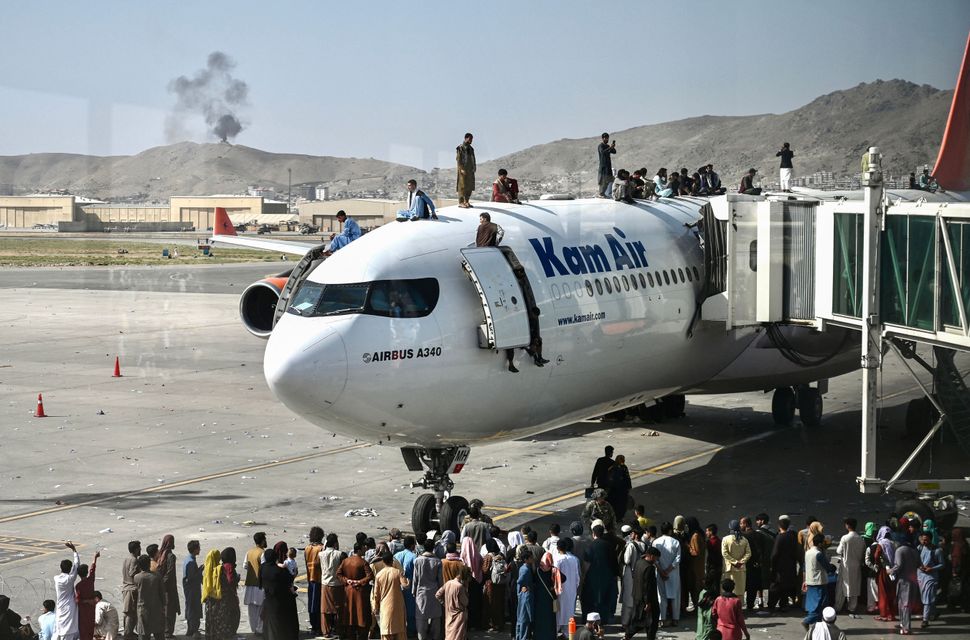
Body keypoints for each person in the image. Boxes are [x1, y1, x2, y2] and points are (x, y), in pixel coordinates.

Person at [581, 525, 618, 625]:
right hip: (607, 577)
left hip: (592, 578)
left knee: (591, 600)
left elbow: (586, 564)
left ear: (593, 534)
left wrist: (583, 576)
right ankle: (603, 619)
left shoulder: (590, 546)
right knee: (605, 599)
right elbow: (614, 562)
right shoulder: (609, 546)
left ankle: (590, 620)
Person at [261, 544, 299, 640]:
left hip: (268, 598)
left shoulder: (263, 567)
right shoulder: (278, 570)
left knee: (269, 620)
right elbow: (289, 579)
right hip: (279, 599)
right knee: (280, 621)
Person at [338, 543, 375, 640]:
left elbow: (338, 574)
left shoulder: (346, 561)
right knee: (361, 615)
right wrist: (359, 582)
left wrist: (346, 580)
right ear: (359, 550)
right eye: (363, 548)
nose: (365, 550)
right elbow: (370, 576)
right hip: (359, 592)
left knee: (349, 615)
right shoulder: (363, 562)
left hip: (348, 591)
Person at [202, 548, 240, 640]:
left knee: (211, 621)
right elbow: (226, 583)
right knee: (221, 622)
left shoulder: (207, 570)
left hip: (209, 600)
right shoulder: (219, 570)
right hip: (220, 600)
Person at [371, 551, 409, 640]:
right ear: (392, 561)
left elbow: (376, 594)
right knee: (399, 631)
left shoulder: (379, 575)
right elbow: (405, 585)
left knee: (386, 631)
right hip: (398, 606)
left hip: (385, 606)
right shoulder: (397, 572)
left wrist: (375, 607)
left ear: (383, 562)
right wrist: (408, 581)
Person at [412, 539, 443, 640]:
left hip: (421, 593)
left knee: (421, 620)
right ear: (433, 548)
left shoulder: (417, 560)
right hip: (435, 593)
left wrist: (413, 591)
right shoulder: (437, 561)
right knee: (436, 618)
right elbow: (440, 581)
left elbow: (415, 579)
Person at [802, 533, 835, 629]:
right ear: (820, 544)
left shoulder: (808, 552)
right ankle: (807, 621)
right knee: (821, 605)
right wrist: (833, 567)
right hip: (819, 582)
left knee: (813, 604)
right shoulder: (819, 554)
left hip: (810, 581)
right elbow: (828, 567)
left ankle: (818, 625)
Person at [768, 516, 800, 612]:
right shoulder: (793, 536)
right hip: (790, 565)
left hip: (780, 567)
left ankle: (771, 605)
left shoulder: (780, 537)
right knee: (786, 586)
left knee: (775, 586)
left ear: (779, 526)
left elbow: (775, 554)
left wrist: (772, 566)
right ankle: (783, 604)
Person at [653, 523, 682, 628]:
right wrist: (668, 570)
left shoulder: (656, 542)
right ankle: (675, 619)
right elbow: (677, 559)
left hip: (660, 573)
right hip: (673, 573)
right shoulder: (676, 542)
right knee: (675, 596)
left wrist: (661, 571)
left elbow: (654, 559)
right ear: (670, 531)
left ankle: (662, 619)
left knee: (661, 596)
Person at [890, 538, 920, 635]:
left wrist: (890, 571)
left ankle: (906, 627)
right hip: (913, 581)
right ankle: (903, 624)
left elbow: (898, 565)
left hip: (904, 581)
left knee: (904, 604)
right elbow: (919, 564)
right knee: (905, 604)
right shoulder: (915, 552)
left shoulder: (899, 550)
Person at [835, 518, 865, 615]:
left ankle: (838, 606)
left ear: (847, 525)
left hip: (846, 565)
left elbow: (839, 551)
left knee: (842, 586)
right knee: (855, 586)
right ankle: (852, 607)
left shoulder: (845, 538)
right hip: (856, 566)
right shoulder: (860, 539)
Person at [320, 533, 347, 639]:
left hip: (325, 584)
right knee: (339, 609)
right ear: (336, 543)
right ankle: (340, 630)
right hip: (337, 584)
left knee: (325, 610)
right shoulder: (340, 554)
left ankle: (326, 631)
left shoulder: (321, 554)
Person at [552, 539, 580, 637]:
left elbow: (554, 575)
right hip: (571, 590)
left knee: (558, 613)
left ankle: (555, 632)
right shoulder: (573, 559)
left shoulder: (557, 559)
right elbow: (577, 577)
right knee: (569, 612)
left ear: (558, 548)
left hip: (560, 590)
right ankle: (568, 634)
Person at [153, 536, 179, 639]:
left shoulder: (159, 554)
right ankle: (168, 632)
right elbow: (170, 572)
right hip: (169, 588)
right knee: (170, 611)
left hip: (161, 587)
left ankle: (164, 631)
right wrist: (163, 584)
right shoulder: (171, 556)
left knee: (164, 610)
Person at [916, 531, 943, 628]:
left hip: (931, 578)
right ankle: (934, 612)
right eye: (923, 540)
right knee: (926, 597)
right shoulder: (919, 548)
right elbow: (917, 560)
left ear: (930, 539)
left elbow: (942, 564)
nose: (924, 542)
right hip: (920, 576)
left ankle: (925, 620)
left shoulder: (937, 551)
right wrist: (919, 567)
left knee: (927, 598)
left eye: (926, 540)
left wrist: (932, 568)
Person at [133, 555, 164, 640]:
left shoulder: (137, 577)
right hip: (156, 609)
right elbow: (162, 593)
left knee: (144, 634)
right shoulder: (157, 576)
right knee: (159, 634)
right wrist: (163, 606)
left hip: (143, 609)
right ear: (149, 564)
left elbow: (135, 593)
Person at [54, 541, 80, 640]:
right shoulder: (69, 579)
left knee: (60, 626)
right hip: (69, 605)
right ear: (70, 569)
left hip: (61, 605)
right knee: (70, 626)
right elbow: (77, 565)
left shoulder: (56, 579)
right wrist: (74, 550)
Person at [394, 536, 418, 636]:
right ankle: (411, 631)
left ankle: (400, 629)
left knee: (399, 609)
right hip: (410, 586)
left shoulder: (396, 555)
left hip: (398, 586)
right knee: (410, 610)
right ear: (412, 545)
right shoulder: (414, 557)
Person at [242, 533, 266, 636]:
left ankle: (254, 629)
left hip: (250, 584)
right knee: (261, 608)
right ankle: (259, 629)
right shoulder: (262, 553)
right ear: (262, 541)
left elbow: (245, 566)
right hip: (260, 585)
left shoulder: (249, 552)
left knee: (252, 610)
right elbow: (265, 567)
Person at [872, 526, 898, 621]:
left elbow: (876, 555)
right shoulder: (894, 543)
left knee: (883, 592)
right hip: (893, 570)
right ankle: (892, 614)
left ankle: (883, 614)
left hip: (884, 570)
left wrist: (877, 564)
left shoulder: (881, 543)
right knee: (891, 592)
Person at [721, 521, 751, 600]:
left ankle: (729, 606)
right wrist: (741, 562)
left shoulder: (725, 539)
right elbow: (748, 553)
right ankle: (739, 607)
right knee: (740, 589)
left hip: (730, 568)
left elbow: (724, 553)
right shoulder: (744, 540)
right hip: (741, 568)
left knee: (729, 588)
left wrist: (734, 562)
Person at [304, 527, 325, 638]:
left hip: (310, 578)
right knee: (319, 604)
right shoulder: (321, 548)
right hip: (319, 578)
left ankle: (314, 625)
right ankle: (319, 626)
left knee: (311, 604)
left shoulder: (307, 548)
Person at [435, 572, 468, 640]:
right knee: (457, 635)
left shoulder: (448, 583)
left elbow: (437, 595)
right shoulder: (460, 587)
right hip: (459, 615)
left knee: (449, 634)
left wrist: (445, 604)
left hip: (449, 613)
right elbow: (465, 602)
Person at [75, 550, 100, 640]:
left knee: (83, 630)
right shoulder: (90, 580)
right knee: (90, 628)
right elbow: (92, 569)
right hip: (91, 608)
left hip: (83, 610)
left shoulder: (78, 586)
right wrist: (95, 557)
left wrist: (86, 601)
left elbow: (78, 600)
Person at [182, 542, 203, 639]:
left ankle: (190, 629)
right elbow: (191, 577)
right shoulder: (190, 561)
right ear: (195, 549)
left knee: (190, 607)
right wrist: (200, 570)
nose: (200, 549)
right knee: (193, 608)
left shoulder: (189, 559)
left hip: (190, 589)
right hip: (192, 589)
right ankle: (194, 630)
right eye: (198, 548)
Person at [122, 542, 141, 640]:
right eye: (139, 548)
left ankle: (129, 632)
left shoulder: (126, 559)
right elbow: (132, 573)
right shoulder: (134, 560)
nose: (140, 549)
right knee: (130, 613)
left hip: (126, 588)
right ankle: (128, 634)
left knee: (128, 612)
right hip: (131, 589)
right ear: (136, 549)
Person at [514, 549, 534, 640]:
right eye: (530, 557)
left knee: (521, 618)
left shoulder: (523, 567)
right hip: (525, 595)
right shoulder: (526, 569)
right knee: (524, 619)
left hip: (522, 595)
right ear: (526, 559)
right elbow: (520, 581)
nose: (532, 559)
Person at [606, 455, 632, 520]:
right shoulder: (621, 468)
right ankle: (618, 517)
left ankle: (617, 516)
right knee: (619, 504)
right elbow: (627, 478)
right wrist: (629, 487)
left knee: (617, 504)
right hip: (618, 490)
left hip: (617, 490)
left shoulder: (613, 467)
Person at [456, 133, 476, 208]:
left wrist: (474, 167)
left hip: (470, 170)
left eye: (472, 139)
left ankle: (466, 201)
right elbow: (458, 159)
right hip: (463, 170)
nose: (471, 140)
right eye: (470, 139)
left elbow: (473, 159)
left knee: (469, 186)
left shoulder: (471, 149)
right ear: (466, 138)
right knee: (462, 186)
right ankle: (461, 202)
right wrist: (461, 169)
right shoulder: (460, 148)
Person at [597, 133, 616, 198]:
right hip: (603, 166)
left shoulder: (607, 146)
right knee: (603, 180)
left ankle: (603, 193)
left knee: (608, 180)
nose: (606, 139)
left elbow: (614, 152)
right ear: (603, 138)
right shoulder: (601, 146)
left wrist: (612, 147)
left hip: (608, 166)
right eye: (605, 138)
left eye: (607, 138)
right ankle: (601, 193)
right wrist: (610, 147)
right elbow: (603, 152)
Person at [704, 525, 722, 593]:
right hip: (718, 566)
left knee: (710, 586)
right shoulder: (719, 540)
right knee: (717, 585)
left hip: (712, 567)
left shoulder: (710, 542)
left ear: (711, 532)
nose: (706, 533)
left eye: (707, 531)